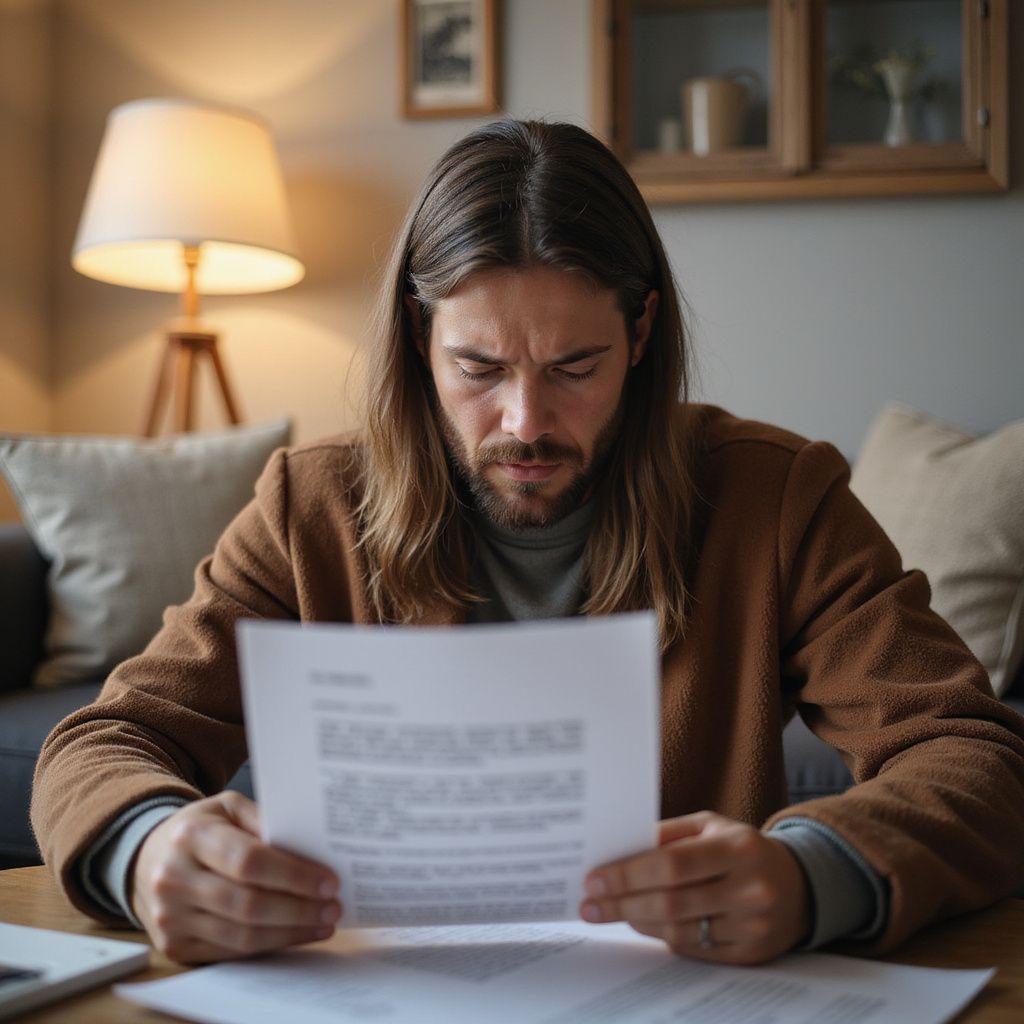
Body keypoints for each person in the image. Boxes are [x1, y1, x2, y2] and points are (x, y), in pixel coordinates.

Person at [32, 119, 1024, 968]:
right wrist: (147, 848)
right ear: (418, 336)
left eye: (574, 367)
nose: (525, 422)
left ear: (641, 334)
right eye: (478, 368)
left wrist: (811, 874)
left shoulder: (776, 499)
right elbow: (104, 741)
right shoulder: (311, 506)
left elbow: (971, 754)